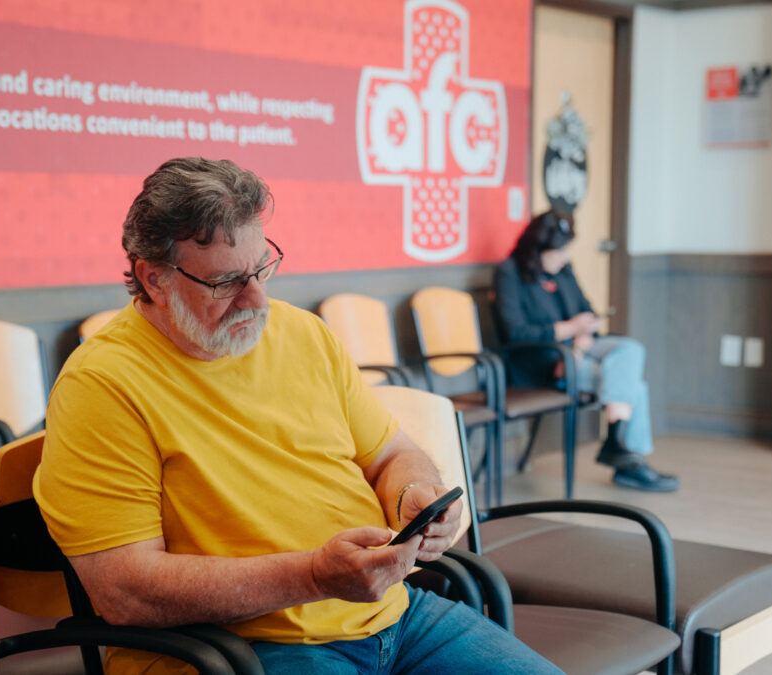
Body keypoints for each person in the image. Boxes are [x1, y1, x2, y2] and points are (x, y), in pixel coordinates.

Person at [34, 158, 560, 674]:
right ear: (153, 279)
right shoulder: (102, 385)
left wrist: (411, 498)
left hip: (395, 618)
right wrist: (314, 577)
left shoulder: (303, 333)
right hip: (238, 648)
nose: (257, 298)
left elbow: (393, 455)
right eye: (226, 282)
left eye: (262, 266)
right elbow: (127, 591)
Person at [493, 209, 679, 493]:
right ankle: (628, 460)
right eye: (558, 253)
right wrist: (569, 331)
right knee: (635, 387)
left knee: (630, 349)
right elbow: (515, 333)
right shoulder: (509, 272)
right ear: (537, 249)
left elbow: (585, 307)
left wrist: (586, 328)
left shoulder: (564, 269)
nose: (564, 258)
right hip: (542, 360)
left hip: (581, 346)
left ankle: (619, 446)